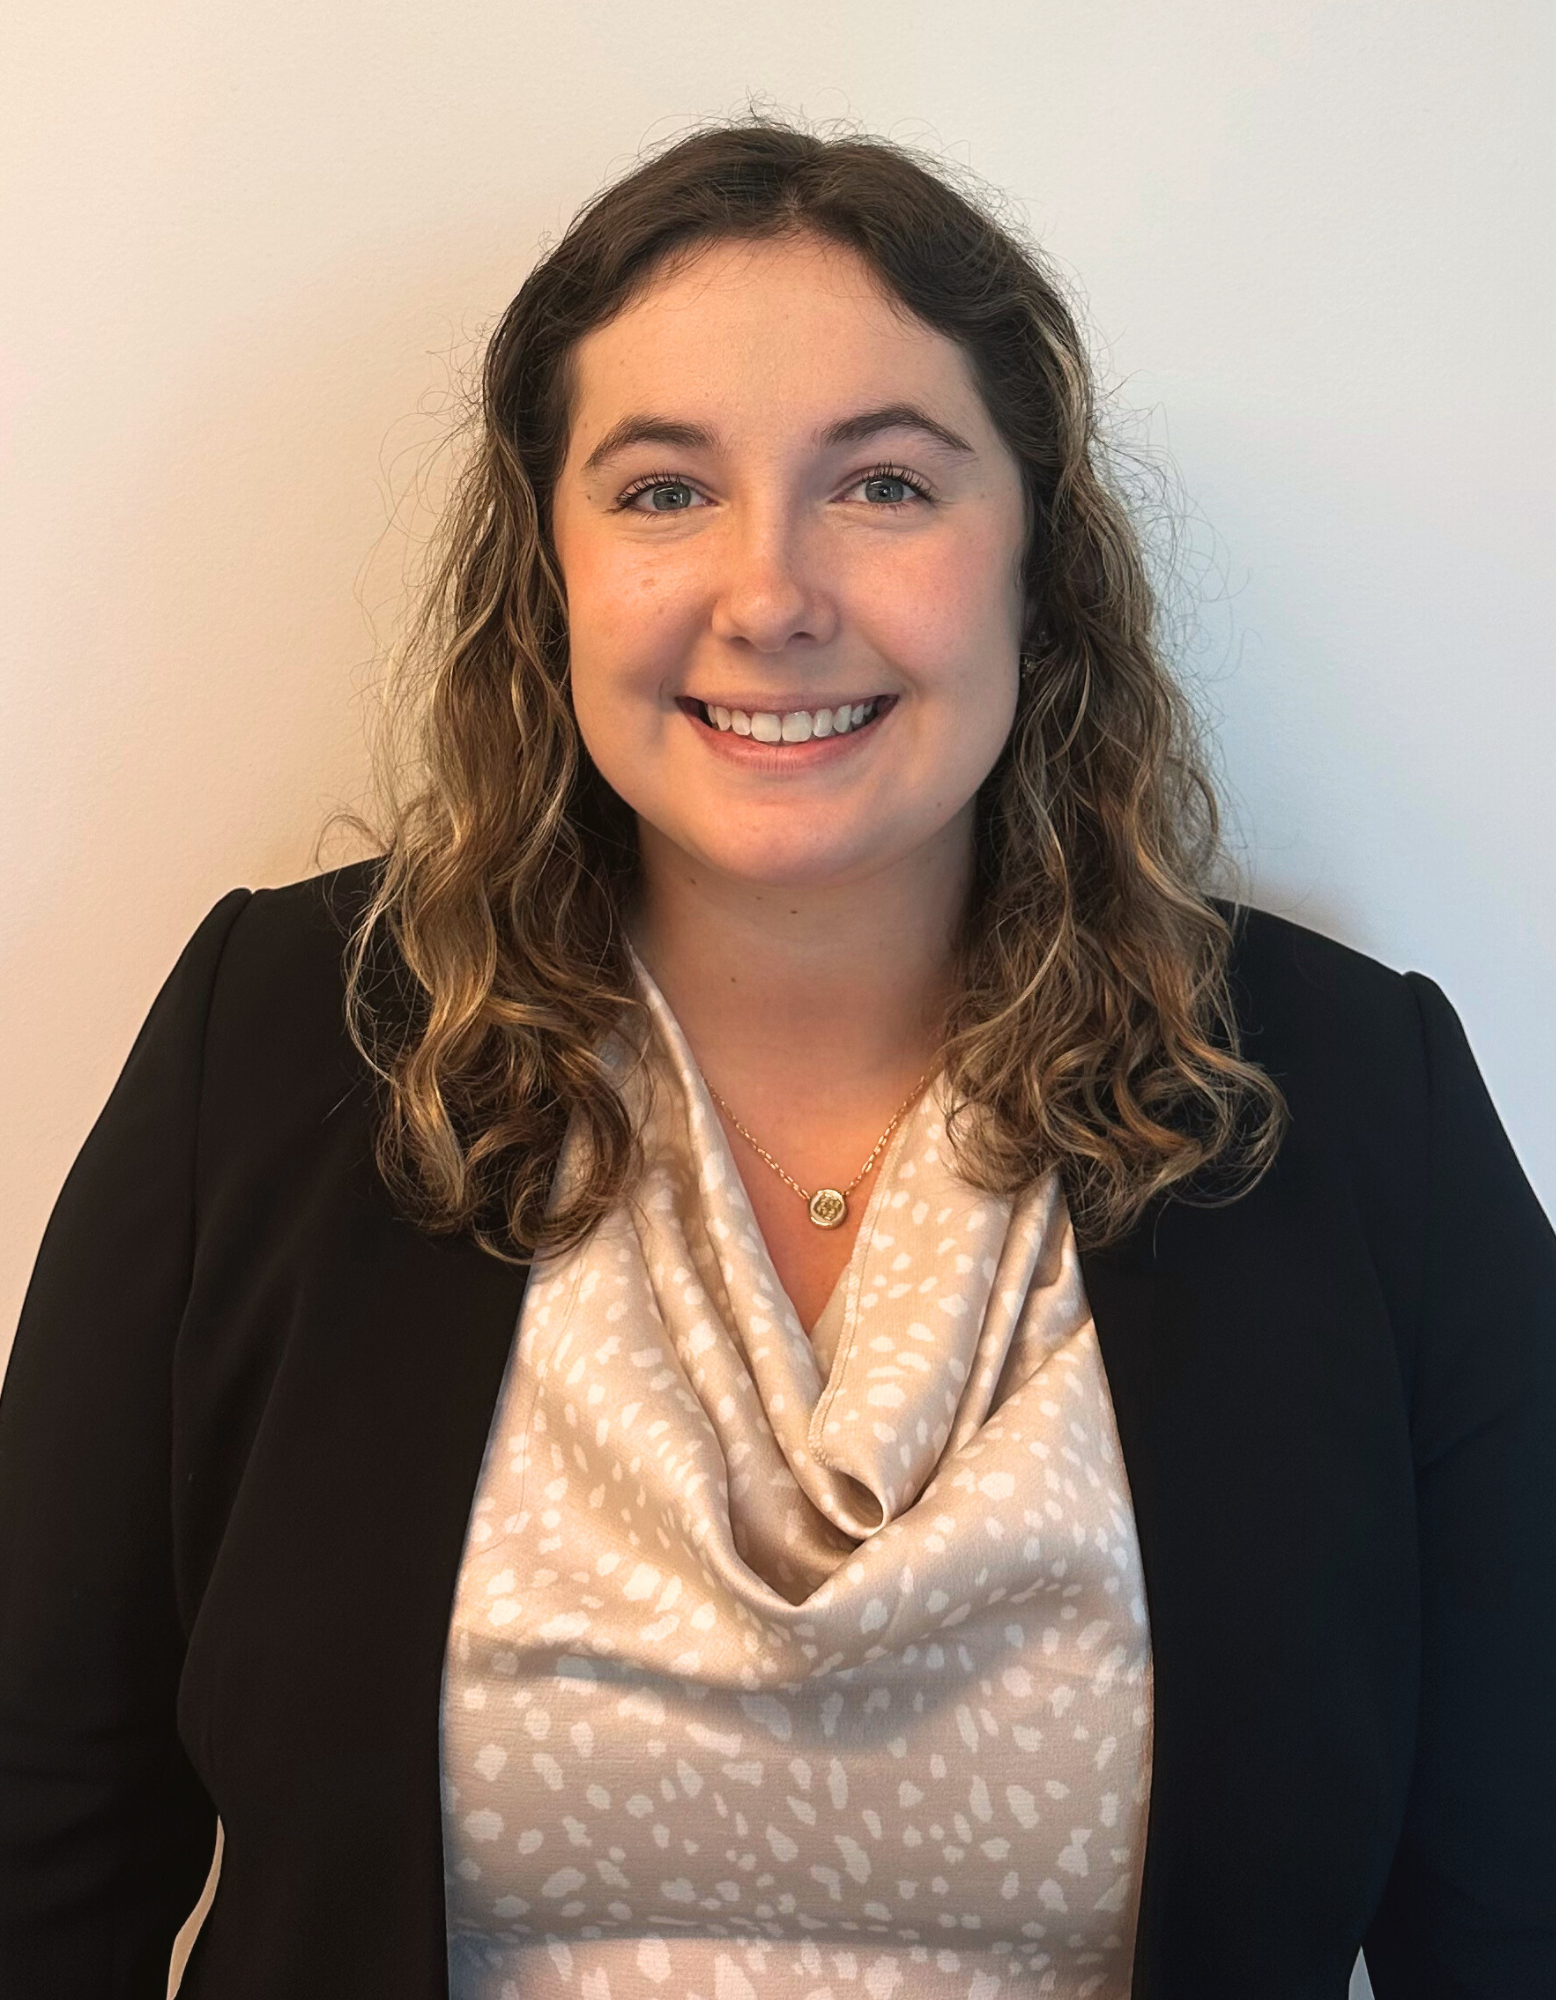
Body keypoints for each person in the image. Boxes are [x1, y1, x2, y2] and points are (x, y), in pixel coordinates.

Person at [1, 118, 1552, 2000]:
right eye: (661, 492)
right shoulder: (282, 1042)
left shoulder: (1345, 1098)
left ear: (1034, 560)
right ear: (549, 570)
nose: (771, 592)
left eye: (886, 484)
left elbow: (1514, 1896)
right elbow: (43, 1836)